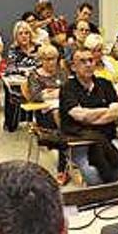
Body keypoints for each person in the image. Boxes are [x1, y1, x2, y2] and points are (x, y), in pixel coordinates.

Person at [60, 47, 118, 185]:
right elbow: (79, 115)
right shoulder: (67, 88)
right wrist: (105, 110)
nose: (88, 64)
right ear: (73, 67)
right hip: (81, 141)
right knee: (92, 173)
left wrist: (89, 116)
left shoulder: (104, 84)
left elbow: (117, 111)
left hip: (108, 138)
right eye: (83, 61)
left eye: (91, 60)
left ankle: (108, 191)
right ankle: (104, 194)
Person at [25, 44, 70, 183]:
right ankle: (63, 168)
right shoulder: (34, 75)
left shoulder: (62, 72)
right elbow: (36, 96)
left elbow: (69, 91)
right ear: (41, 59)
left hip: (65, 111)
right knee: (61, 121)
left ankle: (70, 159)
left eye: (53, 58)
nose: (50, 62)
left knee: (67, 115)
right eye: (47, 59)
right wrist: (56, 93)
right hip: (44, 115)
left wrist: (53, 92)